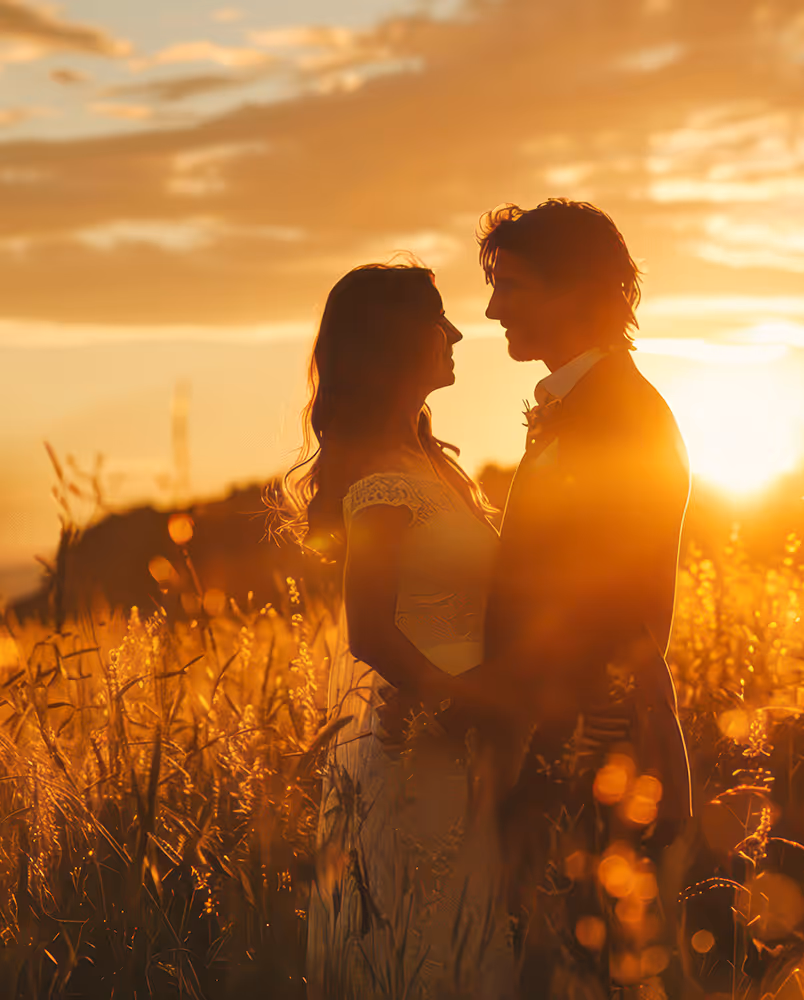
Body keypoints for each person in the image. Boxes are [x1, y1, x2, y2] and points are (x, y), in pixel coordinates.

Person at [475, 199, 693, 998]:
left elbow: (608, 606)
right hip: (566, 740)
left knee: (584, 973)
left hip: (590, 745)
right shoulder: (585, 406)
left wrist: (551, 752)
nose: (494, 307)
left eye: (512, 285)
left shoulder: (620, 417)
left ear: (580, 293)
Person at [284, 264, 514, 1000]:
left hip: (458, 742)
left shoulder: (430, 464)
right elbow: (371, 633)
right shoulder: (380, 482)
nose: (454, 332)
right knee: (429, 944)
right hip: (422, 744)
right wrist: (466, 704)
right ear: (391, 341)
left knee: (464, 936)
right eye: (437, 318)